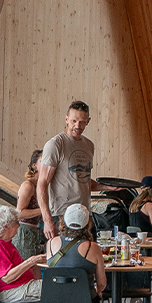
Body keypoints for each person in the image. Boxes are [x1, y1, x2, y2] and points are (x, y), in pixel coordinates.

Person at [44, 203, 106, 303]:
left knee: (60, 301)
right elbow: (102, 283)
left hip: (55, 302)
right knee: (92, 302)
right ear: (87, 223)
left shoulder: (50, 243)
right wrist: (99, 291)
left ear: (63, 221)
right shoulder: (92, 247)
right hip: (84, 302)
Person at [37, 101, 94, 243]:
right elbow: (42, 183)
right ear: (66, 119)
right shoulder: (56, 144)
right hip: (62, 215)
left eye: (81, 122)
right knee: (62, 260)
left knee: (89, 259)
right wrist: (47, 219)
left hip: (84, 214)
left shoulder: (89, 145)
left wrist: (110, 187)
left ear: (88, 121)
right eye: (74, 121)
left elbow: (82, 180)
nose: (77, 126)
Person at [14, 151, 46, 257]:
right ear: (34, 165)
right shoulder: (28, 185)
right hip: (24, 232)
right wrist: (44, 209)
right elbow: (19, 213)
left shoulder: (42, 186)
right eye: (43, 160)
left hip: (35, 231)